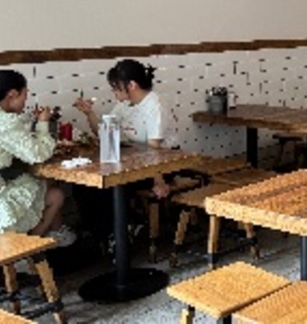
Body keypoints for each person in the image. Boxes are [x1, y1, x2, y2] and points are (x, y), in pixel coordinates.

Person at [72, 60, 176, 242]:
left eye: (116, 88)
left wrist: (159, 181)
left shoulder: (155, 105)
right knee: (83, 185)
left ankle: (120, 234)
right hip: (135, 161)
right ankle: (107, 234)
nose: (114, 92)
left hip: (164, 164)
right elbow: (105, 131)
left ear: (132, 85)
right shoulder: (124, 105)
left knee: (109, 187)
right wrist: (89, 113)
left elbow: (155, 150)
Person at [0, 70, 76, 246]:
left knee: (50, 187)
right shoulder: (5, 122)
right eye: (24, 96)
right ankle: (23, 252)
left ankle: (50, 237)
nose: (25, 101)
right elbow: (38, 154)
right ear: (12, 94)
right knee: (55, 194)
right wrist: (43, 123)